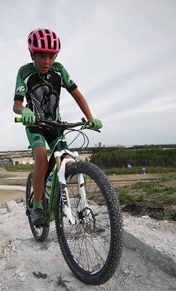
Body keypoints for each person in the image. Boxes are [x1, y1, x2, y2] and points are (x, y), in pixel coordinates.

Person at [13, 28, 103, 227]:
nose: (46, 61)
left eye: (51, 56)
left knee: (68, 161)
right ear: (32, 54)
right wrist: (24, 111)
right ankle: (37, 206)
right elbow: (16, 104)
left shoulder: (59, 70)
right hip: (34, 124)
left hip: (55, 124)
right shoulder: (24, 72)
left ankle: (56, 187)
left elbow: (77, 94)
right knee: (40, 159)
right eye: (42, 55)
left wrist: (90, 118)